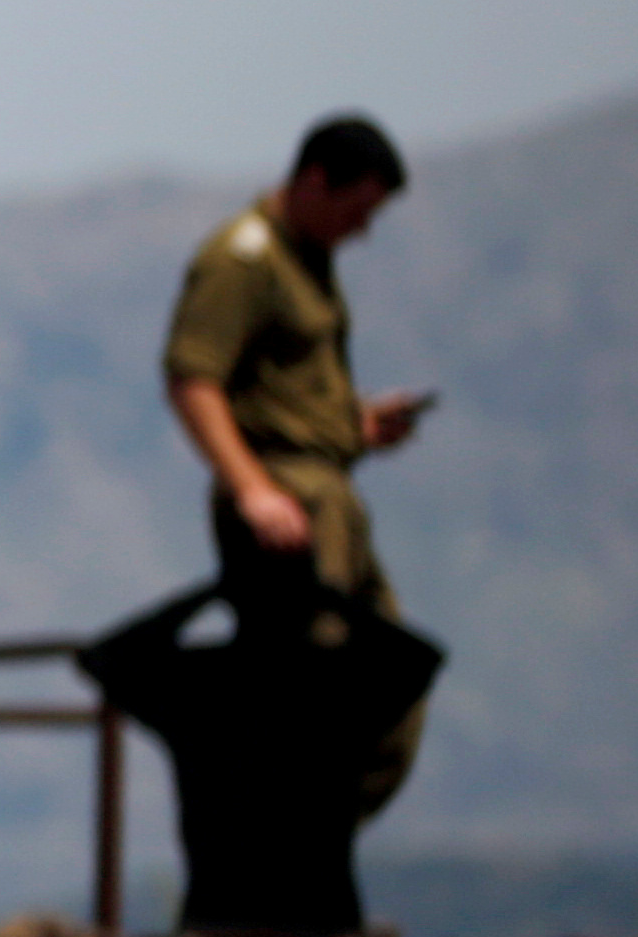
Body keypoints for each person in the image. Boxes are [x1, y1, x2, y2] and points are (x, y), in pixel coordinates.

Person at [161, 114, 437, 825]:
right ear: (315, 181)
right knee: (303, 688)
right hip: (286, 506)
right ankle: (276, 864)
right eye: (356, 209)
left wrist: (356, 424)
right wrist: (251, 488)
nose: (361, 229)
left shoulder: (304, 260)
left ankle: (310, 846)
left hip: (328, 492)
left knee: (383, 679)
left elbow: (282, 388)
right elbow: (193, 378)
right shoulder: (243, 258)